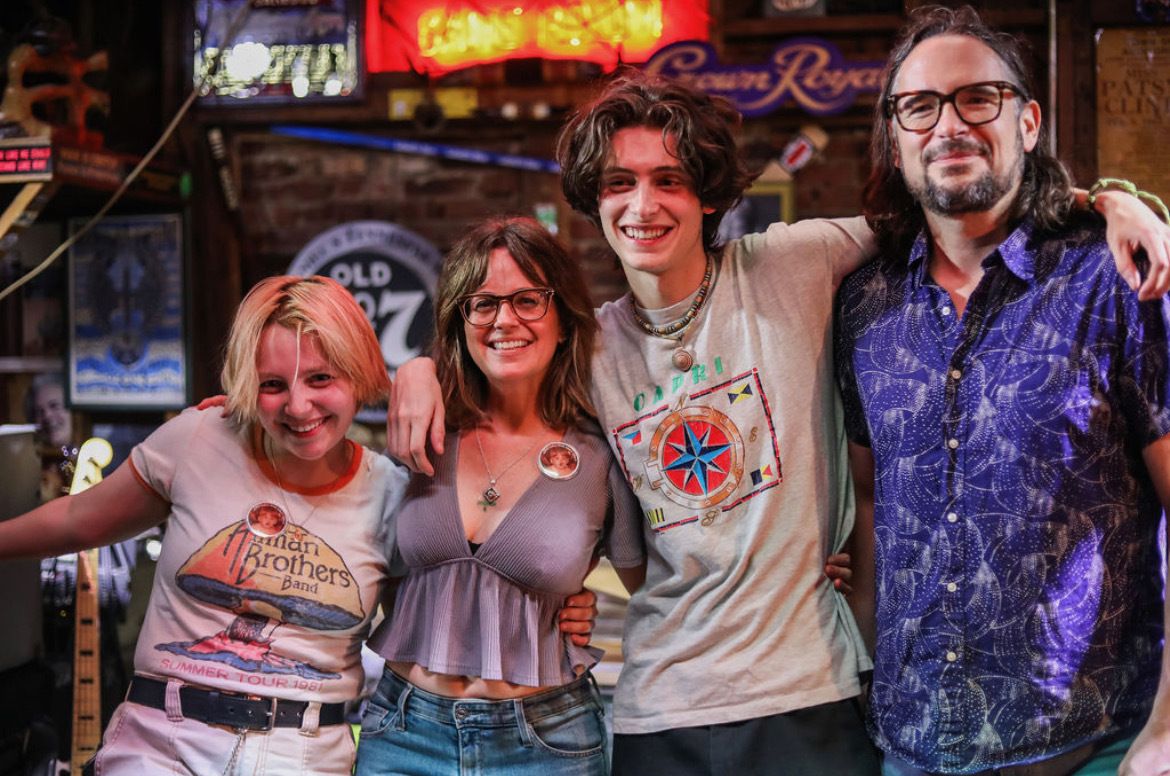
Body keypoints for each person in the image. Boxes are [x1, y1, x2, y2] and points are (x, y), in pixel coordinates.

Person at [386, 70, 1170, 774]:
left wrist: (1107, 201)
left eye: (669, 180)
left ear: (711, 197)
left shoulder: (794, 263)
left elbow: (955, 207)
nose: (643, 204)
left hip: (812, 692)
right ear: (594, 198)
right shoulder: (590, 349)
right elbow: (496, 386)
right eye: (620, 182)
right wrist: (419, 370)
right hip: (661, 708)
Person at [834, 7, 1170, 776]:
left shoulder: (1111, 280)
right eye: (920, 105)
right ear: (895, 133)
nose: (948, 124)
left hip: (1094, 743)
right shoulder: (864, 304)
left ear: (1027, 120)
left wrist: (1167, 729)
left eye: (977, 98)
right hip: (910, 746)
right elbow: (870, 507)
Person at [0, 275, 411, 775]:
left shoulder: (389, 491)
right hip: (161, 742)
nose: (298, 407)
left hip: (303, 754)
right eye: (272, 385)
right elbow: (77, 520)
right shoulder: (199, 438)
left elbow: (414, 646)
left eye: (321, 379)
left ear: (358, 371)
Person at [355, 217, 646, 775]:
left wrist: (794, 567)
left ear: (563, 319)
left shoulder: (600, 454)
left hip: (546, 739)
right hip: (404, 731)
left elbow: (663, 588)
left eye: (528, 300)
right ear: (460, 321)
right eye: (482, 303)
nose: (503, 319)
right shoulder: (422, 430)